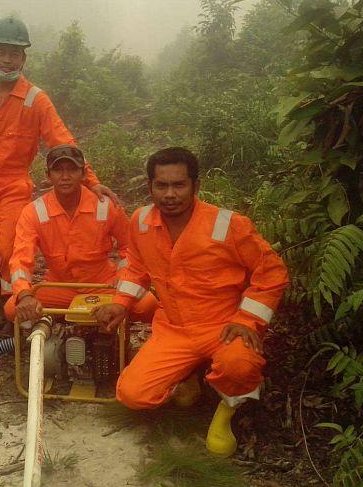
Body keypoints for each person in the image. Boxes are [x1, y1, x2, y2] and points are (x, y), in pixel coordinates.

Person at [94, 147, 288, 457]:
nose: (170, 194)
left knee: (239, 366)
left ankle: (226, 411)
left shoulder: (228, 225)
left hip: (224, 326)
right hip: (174, 329)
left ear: (196, 186)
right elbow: (136, 268)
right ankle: (190, 380)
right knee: (133, 395)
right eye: (161, 185)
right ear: (150, 186)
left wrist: (247, 320)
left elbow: (272, 272)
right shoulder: (141, 220)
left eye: (179, 185)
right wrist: (121, 303)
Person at [0, 17, 117, 328]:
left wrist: (92, 182)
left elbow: (63, 141)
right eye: (1, 52)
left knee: (9, 250)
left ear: (23, 58)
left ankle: (16, 306)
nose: (7, 59)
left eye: (14, 54)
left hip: (10, 189)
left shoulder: (35, 99)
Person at [6, 144, 158, 324]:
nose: (65, 177)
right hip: (59, 286)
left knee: (147, 304)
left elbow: (130, 247)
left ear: (83, 174)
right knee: (11, 309)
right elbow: (21, 259)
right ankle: (50, 333)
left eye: (72, 170)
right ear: (48, 176)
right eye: (58, 170)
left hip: (102, 284)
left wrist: (123, 277)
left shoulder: (105, 205)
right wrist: (24, 295)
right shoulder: (33, 211)